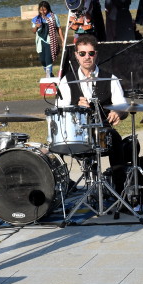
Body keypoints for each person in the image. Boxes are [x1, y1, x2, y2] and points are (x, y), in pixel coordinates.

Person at [55, 33, 130, 192]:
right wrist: (76, 106)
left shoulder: (110, 78)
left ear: (96, 54)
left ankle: (120, 189)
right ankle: (65, 187)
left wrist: (118, 111)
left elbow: (123, 104)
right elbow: (59, 109)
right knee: (51, 147)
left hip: (103, 132)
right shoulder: (67, 80)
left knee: (116, 139)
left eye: (91, 53)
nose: (86, 57)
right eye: (82, 53)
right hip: (77, 133)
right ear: (76, 55)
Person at [30, 1, 61, 77]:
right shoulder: (37, 19)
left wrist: (62, 40)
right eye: (41, 10)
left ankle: (49, 76)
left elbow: (59, 28)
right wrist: (37, 26)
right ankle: (49, 74)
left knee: (48, 59)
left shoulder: (53, 17)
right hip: (40, 41)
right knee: (42, 60)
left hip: (50, 41)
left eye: (44, 10)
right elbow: (33, 31)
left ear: (48, 9)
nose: (43, 12)